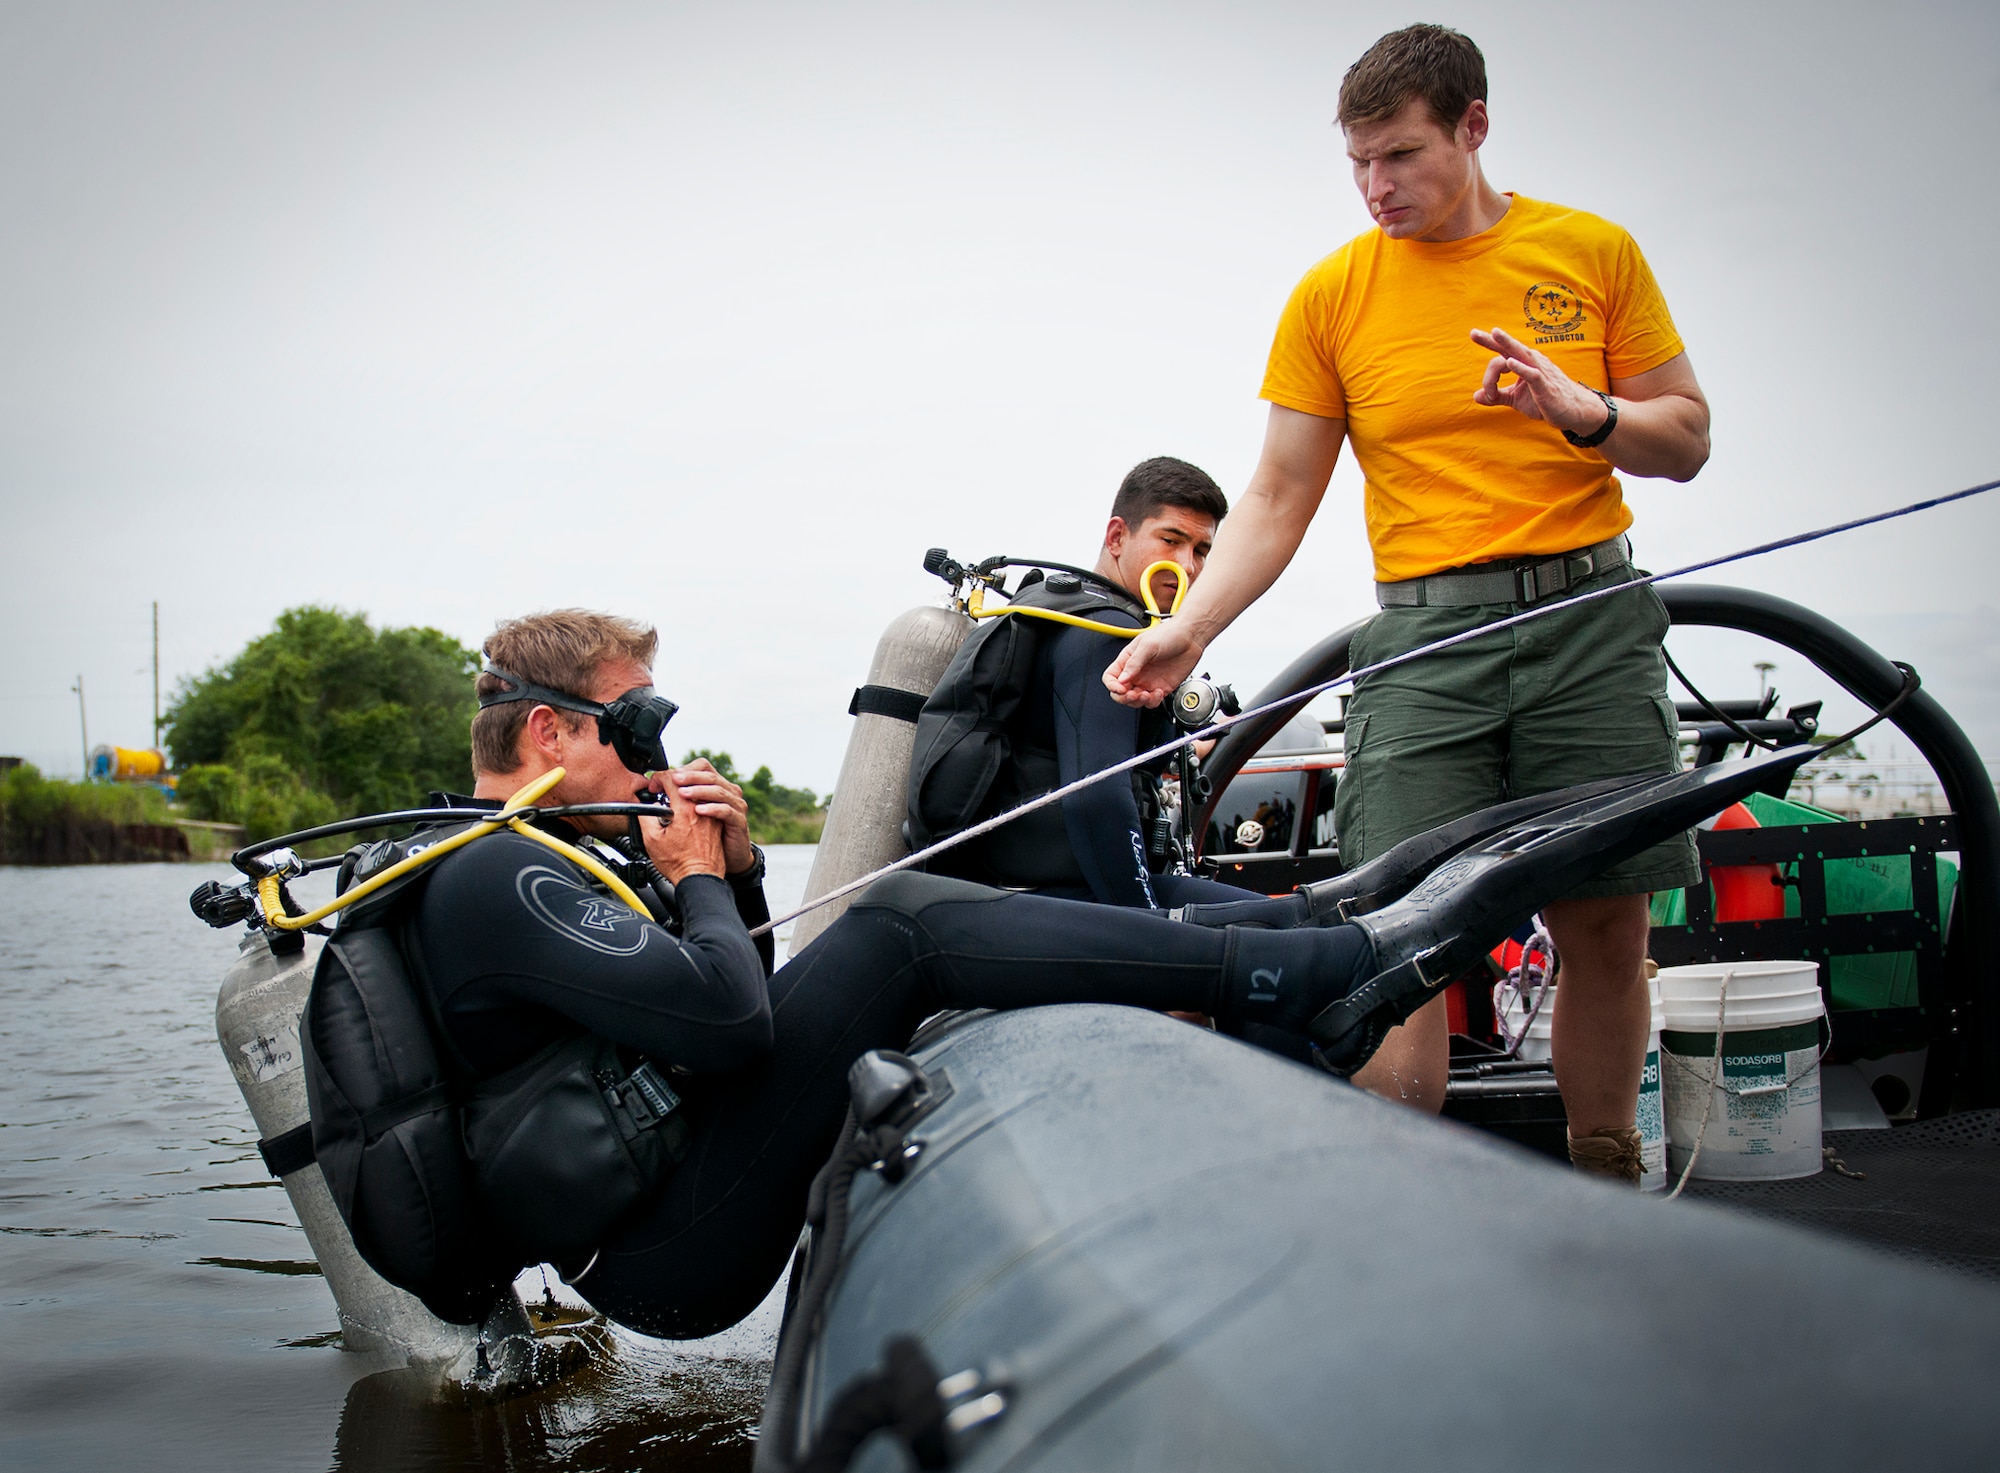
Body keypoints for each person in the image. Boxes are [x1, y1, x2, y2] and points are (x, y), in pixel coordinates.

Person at [412, 607, 1747, 1338]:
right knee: (906, 928)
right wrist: (699, 876)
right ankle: (1300, 970)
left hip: (668, 1186)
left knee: (918, 935)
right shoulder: (497, 869)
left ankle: (1298, 941)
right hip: (660, 1260)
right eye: (644, 719)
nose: (659, 750)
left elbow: (717, 987)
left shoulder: (554, 857)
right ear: (548, 728)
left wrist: (737, 871)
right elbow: (720, 1018)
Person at [1103, 25, 1709, 1176]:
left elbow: (1683, 438)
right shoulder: (1332, 294)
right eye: (1358, 164)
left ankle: (1607, 1172)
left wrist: (1582, 414)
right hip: (1425, 636)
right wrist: (1186, 625)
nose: (1377, 187)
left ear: (1471, 127)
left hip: (1588, 618)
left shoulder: (1591, 251)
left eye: (1401, 156)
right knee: (1402, 933)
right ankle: (1400, 1199)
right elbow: (1279, 493)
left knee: (1603, 924)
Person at [912, 456, 1247, 909]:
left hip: (1011, 888)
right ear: (1116, 537)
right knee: (1281, 925)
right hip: (1056, 899)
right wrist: (1152, 928)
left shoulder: (1068, 611)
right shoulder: (1106, 632)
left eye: (1202, 551)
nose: (1187, 566)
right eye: (1171, 541)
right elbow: (1099, 802)